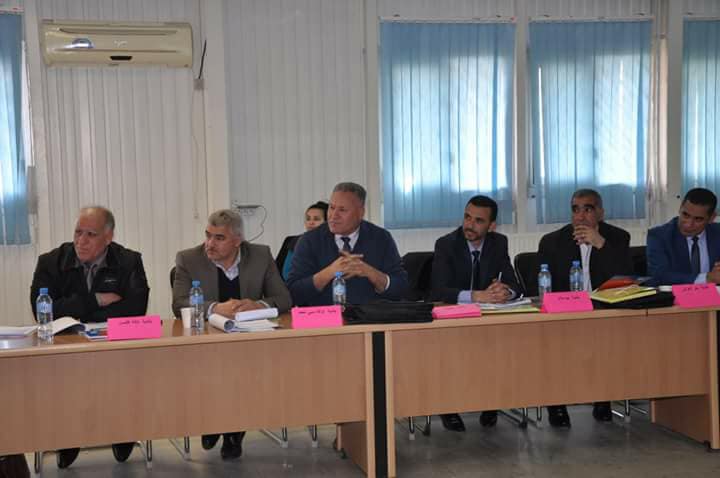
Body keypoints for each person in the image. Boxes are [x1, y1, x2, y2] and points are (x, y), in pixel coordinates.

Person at [30, 206, 149, 468]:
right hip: (66, 346)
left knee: (123, 374)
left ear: (108, 237)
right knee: (65, 381)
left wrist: (76, 311)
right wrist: (97, 300)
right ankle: (68, 438)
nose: (81, 241)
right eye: (78, 232)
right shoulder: (51, 262)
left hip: (113, 345)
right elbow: (43, 311)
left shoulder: (129, 261)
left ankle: (122, 432)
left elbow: (135, 308)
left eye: (90, 234)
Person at [172, 209, 291, 459]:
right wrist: (215, 308)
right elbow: (179, 303)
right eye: (208, 235)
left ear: (237, 240)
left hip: (248, 340)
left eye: (219, 238)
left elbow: (283, 298)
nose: (210, 244)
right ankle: (213, 421)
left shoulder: (260, 255)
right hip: (207, 342)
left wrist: (259, 305)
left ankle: (233, 431)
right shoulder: (188, 258)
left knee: (243, 369)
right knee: (215, 370)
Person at [537, 189, 632, 427]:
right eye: (575, 209)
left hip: (604, 309)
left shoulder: (618, 238)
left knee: (609, 339)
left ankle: (603, 398)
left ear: (600, 213)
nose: (580, 216)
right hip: (565, 312)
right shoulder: (552, 242)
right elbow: (543, 288)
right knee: (555, 344)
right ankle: (556, 403)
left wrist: (600, 244)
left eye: (587, 209)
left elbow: (625, 278)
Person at [431, 195, 520, 432]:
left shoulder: (498, 243)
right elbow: (438, 290)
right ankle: (448, 407)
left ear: (491, 226)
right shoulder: (446, 244)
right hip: (453, 318)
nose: (469, 225)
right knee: (452, 353)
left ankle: (489, 402)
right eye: (467, 217)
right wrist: (475, 296)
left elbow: (514, 283)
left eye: (478, 221)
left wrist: (506, 291)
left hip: (486, 318)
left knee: (499, 345)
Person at [287, 182, 408, 306]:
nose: (333, 216)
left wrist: (371, 273)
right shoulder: (309, 240)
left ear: (360, 213)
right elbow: (293, 293)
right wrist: (329, 272)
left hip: (370, 316)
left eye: (342, 210)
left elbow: (401, 288)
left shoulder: (381, 238)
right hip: (324, 316)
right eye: (331, 208)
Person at [647, 188, 720, 285]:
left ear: (711, 218)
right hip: (673, 294)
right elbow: (660, 275)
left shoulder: (717, 232)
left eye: (698, 219)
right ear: (680, 208)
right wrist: (706, 278)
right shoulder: (659, 236)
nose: (688, 224)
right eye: (685, 215)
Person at [275, 201, 328, 280]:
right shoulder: (292, 241)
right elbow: (279, 271)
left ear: (327, 222)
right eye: (308, 219)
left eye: (316, 219)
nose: (311, 222)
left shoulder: (333, 243)